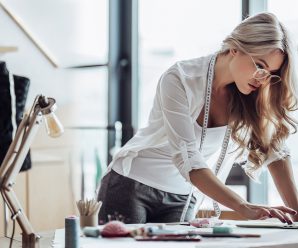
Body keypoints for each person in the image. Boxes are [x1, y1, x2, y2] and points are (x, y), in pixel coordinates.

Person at [97, 12, 298, 225]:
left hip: (184, 197)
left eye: (271, 73)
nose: (263, 78)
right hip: (132, 184)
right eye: (259, 65)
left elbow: (275, 152)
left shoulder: (252, 95)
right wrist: (242, 206)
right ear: (235, 48)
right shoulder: (180, 79)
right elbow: (188, 159)